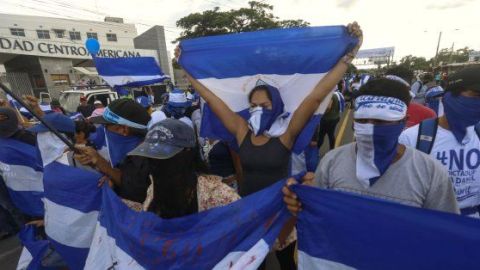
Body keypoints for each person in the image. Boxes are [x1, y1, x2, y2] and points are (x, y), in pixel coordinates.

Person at [177, 22, 362, 269]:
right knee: (255, 263)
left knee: (287, 263)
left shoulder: (286, 133)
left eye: (263, 106)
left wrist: (348, 57)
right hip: (250, 212)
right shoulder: (242, 131)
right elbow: (211, 98)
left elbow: (316, 95)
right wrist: (187, 69)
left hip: (282, 210)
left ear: (275, 107)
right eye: (252, 105)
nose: (257, 110)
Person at [283, 78, 460, 216]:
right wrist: (299, 200)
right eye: (362, 121)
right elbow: (317, 212)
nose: (369, 129)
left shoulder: (430, 173)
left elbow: (444, 230)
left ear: (403, 123)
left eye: (380, 121)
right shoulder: (331, 161)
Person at [400, 67, 480, 218]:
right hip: (431, 223)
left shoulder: (478, 134)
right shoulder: (412, 137)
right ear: (449, 97)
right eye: (477, 96)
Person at [127, 119, 240, 218]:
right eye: (152, 157)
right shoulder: (154, 188)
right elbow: (145, 219)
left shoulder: (218, 195)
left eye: (163, 157)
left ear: (186, 154)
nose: (155, 164)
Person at [77, 99, 151, 203]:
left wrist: (101, 162)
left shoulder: (147, 161)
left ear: (123, 130)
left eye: (106, 126)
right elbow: (124, 174)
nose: (104, 129)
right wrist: (98, 165)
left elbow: (134, 191)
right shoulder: (130, 154)